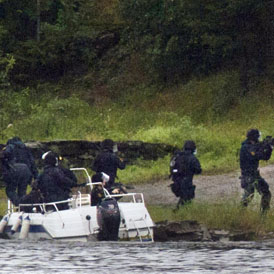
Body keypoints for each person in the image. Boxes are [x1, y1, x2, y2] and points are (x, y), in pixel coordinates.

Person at [239, 129, 273, 213]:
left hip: (255, 175)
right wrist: (264, 146)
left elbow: (265, 157)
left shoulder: (254, 146)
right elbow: (256, 156)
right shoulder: (246, 147)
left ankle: (263, 216)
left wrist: (270, 148)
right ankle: (239, 214)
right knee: (249, 195)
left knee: (266, 193)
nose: (259, 138)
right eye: (258, 136)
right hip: (248, 175)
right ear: (254, 137)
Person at [170, 140, 202, 209]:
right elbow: (198, 170)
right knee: (187, 199)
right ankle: (178, 212)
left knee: (184, 199)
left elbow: (171, 168)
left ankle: (181, 211)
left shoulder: (177, 156)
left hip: (175, 183)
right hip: (186, 182)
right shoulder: (192, 158)